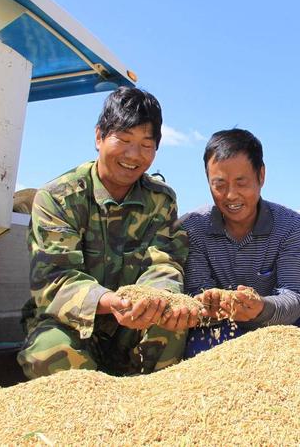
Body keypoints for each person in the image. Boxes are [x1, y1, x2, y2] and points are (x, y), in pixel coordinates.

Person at [17, 87, 199, 379]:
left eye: (145, 144)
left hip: (133, 323)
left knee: (171, 329)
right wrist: (107, 302)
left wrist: (157, 297)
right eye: (123, 140)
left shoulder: (161, 200)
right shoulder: (58, 198)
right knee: (50, 353)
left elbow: (164, 261)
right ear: (99, 136)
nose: (133, 155)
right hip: (69, 323)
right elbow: (53, 279)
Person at [181, 128, 300, 357]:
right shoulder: (192, 229)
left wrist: (260, 307)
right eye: (219, 185)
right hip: (218, 330)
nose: (231, 195)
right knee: (200, 358)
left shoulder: (293, 228)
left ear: (261, 176)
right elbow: (195, 293)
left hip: (281, 328)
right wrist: (209, 303)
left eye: (241, 182)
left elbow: (293, 298)